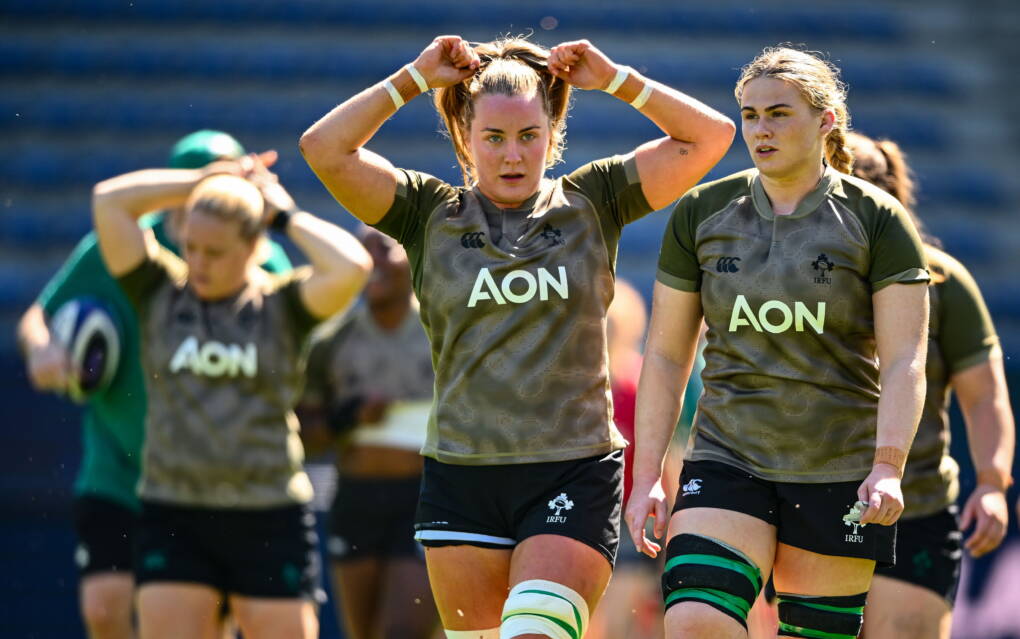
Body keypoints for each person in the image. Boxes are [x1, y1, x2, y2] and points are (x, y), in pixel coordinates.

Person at [300, 34, 734, 639]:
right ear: (466, 139)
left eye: (529, 136)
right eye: (494, 138)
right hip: (462, 477)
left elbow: (709, 136)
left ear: (553, 135)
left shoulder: (593, 200)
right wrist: (416, 76)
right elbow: (323, 148)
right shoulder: (429, 213)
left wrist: (615, 79)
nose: (512, 155)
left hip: (572, 470)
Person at [626, 46, 932, 639]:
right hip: (727, 454)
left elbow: (904, 359)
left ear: (826, 121)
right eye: (749, 115)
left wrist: (888, 466)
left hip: (837, 464)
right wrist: (645, 480)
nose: (759, 130)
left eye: (778, 114)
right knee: (693, 622)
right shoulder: (702, 212)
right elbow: (664, 357)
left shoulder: (877, 219)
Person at [15, 130, 291, 639]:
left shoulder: (261, 260)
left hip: (211, 480)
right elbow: (39, 315)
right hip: (119, 465)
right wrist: (43, 349)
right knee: (105, 607)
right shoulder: (120, 247)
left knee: (206, 623)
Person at [90, 157, 372, 639]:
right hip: (174, 509)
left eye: (215, 252)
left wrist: (283, 216)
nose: (198, 262)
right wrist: (201, 183)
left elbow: (352, 266)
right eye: (191, 247)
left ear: (253, 246)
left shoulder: (283, 305)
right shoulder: (159, 291)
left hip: (267, 512)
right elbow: (109, 202)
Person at [845, 132, 1015, 639]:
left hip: (914, 508)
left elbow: (985, 396)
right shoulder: (780, 275)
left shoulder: (941, 281)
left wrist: (991, 483)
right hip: (804, 508)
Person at [298, 226, 438, 639]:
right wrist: (348, 419)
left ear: (412, 257)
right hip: (356, 499)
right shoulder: (331, 340)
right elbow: (302, 431)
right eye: (361, 253)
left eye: (383, 248)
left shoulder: (445, 332)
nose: (372, 261)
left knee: (402, 633)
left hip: (425, 499)